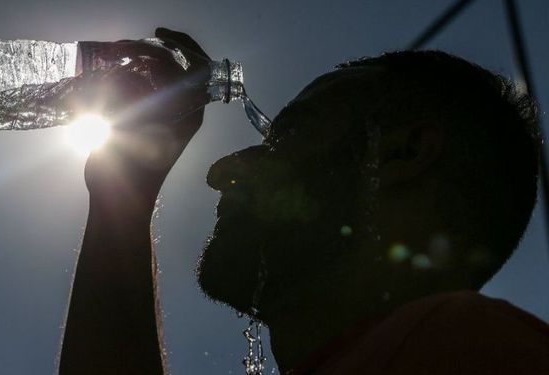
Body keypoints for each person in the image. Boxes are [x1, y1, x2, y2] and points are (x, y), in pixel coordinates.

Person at [57, 28, 549, 374]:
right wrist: (123, 195)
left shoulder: (470, 347)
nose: (221, 171)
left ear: (402, 155)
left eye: (287, 136)